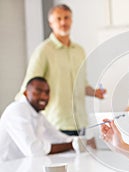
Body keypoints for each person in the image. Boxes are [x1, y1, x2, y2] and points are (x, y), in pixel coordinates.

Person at [16, 4, 106, 136]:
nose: (63, 22)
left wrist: (94, 92)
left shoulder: (79, 51)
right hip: (55, 124)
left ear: (71, 20)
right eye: (58, 19)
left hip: (80, 123)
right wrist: (20, 116)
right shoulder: (43, 50)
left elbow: (82, 84)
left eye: (66, 18)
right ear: (51, 23)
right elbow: (30, 85)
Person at [0, 77, 87, 162]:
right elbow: (34, 150)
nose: (44, 96)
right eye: (38, 91)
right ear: (26, 93)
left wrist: (82, 141)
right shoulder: (17, 109)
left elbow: (58, 136)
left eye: (47, 92)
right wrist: (71, 145)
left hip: (21, 168)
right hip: (6, 170)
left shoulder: (38, 115)